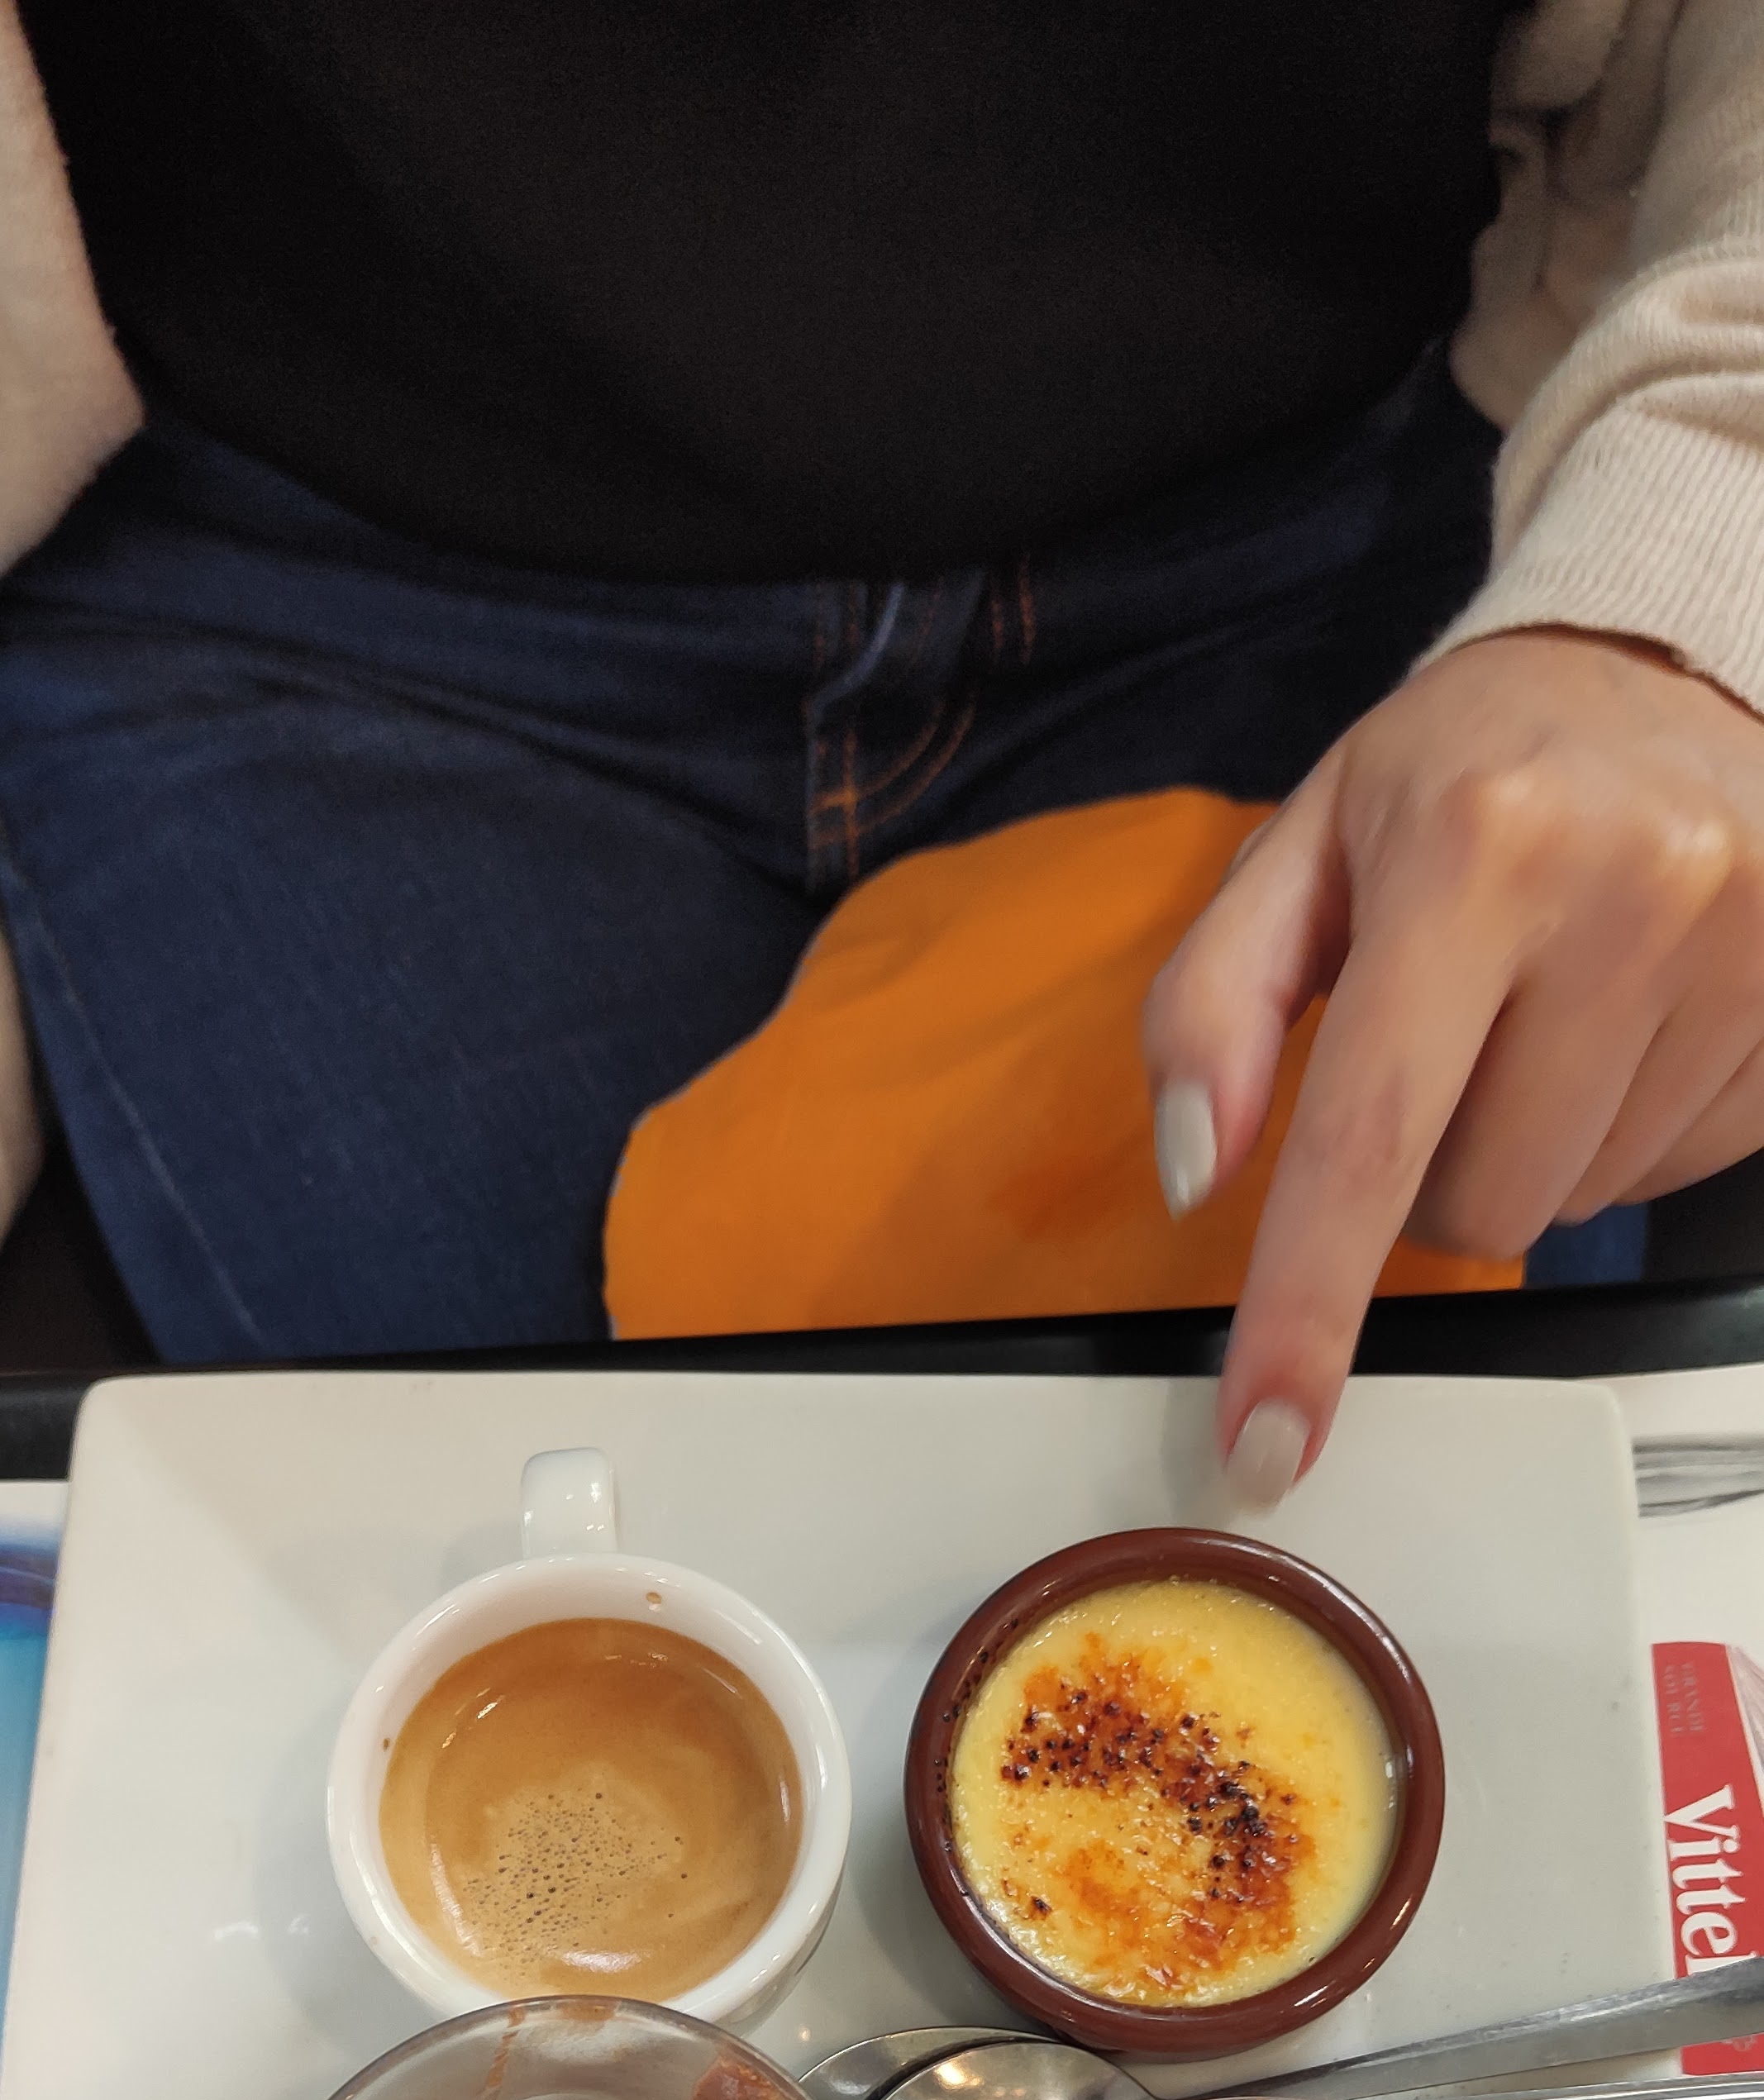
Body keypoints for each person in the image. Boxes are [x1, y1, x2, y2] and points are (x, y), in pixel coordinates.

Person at [0, 2, 1759, 1501]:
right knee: (560, 1589)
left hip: (1330, 530)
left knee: (1352, 1574)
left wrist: (1696, 566)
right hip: (313, 580)